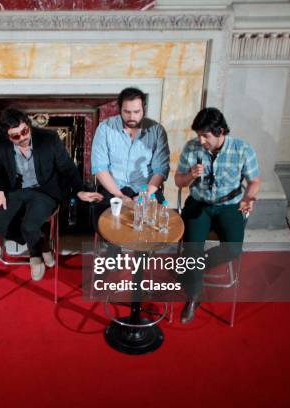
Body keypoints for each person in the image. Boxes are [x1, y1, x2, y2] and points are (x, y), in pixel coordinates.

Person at [0, 108, 103, 280]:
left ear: (28, 125)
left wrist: (79, 190)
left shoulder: (49, 139)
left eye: (24, 131)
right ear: (8, 137)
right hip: (16, 191)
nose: (22, 138)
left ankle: (35, 256)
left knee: (29, 225)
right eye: (15, 136)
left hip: (44, 192)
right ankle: (41, 244)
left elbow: (67, 168)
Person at [175, 107, 261, 324]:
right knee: (192, 247)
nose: (201, 140)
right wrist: (190, 176)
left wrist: (248, 199)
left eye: (205, 135)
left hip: (229, 205)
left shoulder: (242, 149)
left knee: (233, 249)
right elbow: (178, 181)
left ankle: (195, 265)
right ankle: (194, 296)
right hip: (199, 203)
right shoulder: (192, 148)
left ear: (220, 131)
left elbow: (254, 182)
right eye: (199, 135)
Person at [91, 87, 170, 225]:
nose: (132, 117)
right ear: (119, 109)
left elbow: (160, 170)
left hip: (147, 189)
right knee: (104, 224)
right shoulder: (105, 128)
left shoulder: (157, 130)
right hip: (114, 188)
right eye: (127, 112)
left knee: (154, 225)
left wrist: (143, 197)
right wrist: (121, 196)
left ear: (143, 108)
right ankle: (112, 247)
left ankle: (144, 246)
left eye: (136, 112)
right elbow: (99, 168)